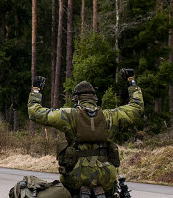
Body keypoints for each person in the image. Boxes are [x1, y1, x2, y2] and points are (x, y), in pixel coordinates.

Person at [28, 69, 143, 197]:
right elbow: (137, 107)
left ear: (76, 99)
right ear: (95, 98)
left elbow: (35, 113)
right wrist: (131, 82)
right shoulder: (110, 116)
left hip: (76, 176)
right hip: (106, 176)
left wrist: (36, 90)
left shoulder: (69, 115)